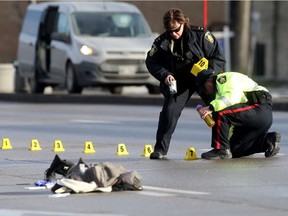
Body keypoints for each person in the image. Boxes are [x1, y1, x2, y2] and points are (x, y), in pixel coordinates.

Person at [145, 8, 226, 159]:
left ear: (184, 23)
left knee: (218, 107)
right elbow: (151, 62)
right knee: (169, 112)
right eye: (170, 31)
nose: (174, 34)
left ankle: (221, 148)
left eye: (176, 30)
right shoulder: (162, 42)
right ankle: (160, 150)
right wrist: (165, 75)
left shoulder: (201, 35)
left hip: (203, 79)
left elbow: (218, 57)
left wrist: (209, 72)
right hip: (179, 81)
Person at [196, 69, 281, 160]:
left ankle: (221, 150)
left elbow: (232, 96)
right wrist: (226, 142)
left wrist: (210, 108)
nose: (206, 93)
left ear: (209, 80)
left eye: (204, 89)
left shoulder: (222, 79)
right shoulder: (219, 92)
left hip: (259, 109)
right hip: (254, 117)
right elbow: (230, 120)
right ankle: (267, 141)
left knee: (220, 112)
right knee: (234, 150)